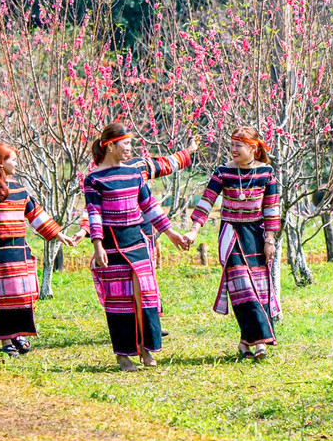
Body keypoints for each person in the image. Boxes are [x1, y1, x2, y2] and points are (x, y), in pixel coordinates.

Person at [84, 122, 190, 371]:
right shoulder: (94, 179)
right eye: (126, 144)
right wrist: (98, 245)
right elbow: (94, 213)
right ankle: (123, 356)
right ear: (110, 145)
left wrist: (170, 231)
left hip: (137, 240)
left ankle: (147, 350)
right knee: (119, 300)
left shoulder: (133, 174)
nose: (130, 149)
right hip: (111, 244)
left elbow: (150, 206)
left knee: (146, 295)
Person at [0, 143, 79, 356]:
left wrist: (58, 234)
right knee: (2, 297)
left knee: (21, 293)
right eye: (12, 159)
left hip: (18, 248)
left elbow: (36, 215)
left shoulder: (20, 190)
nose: (16, 163)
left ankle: (19, 334)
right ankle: (5, 341)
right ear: (1, 163)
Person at [187, 127, 281, 359]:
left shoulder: (266, 173)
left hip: (256, 235)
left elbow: (271, 209)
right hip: (231, 234)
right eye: (232, 144)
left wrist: (270, 240)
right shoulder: (223, 172)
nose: (233, 149)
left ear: (253, 147)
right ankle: (261, 342)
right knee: (243, 287)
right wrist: (193, 231)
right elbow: (206, 201)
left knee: (258, 288)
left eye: (238, 145)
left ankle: (245, 343)